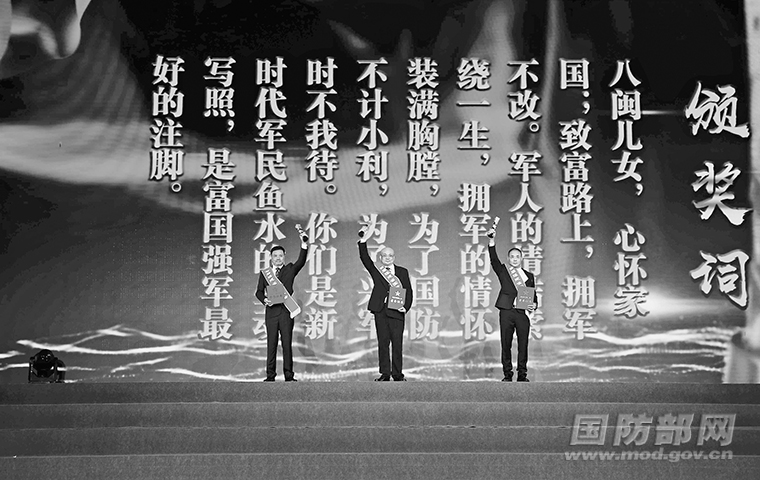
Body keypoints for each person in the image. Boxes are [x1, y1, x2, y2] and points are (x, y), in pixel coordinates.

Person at [358, 226, 413, 381]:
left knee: (397, 344)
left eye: (390, 255)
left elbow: (408, 291)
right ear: (380, 257)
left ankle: (397, 374)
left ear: (394, 257)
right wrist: (363, 241)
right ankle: (385, 373)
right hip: (381, 310)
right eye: (384, 255)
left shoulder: (402, 272)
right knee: (383, 343)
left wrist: (405, 307)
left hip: (397, 311)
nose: (387, 258)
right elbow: (365, 259)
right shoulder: (377, 270)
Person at [255, 232, 308, 382]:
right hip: (271, 313)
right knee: (271, 345)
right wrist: (265, 300)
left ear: (284, 256)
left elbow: (301, 261)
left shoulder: (290, 269)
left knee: (286, 344)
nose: (278, 258)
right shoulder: (265, 274)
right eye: (275, 256)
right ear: (270, 258)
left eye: (280, 255)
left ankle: (289, 376)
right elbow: (258, 292)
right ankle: (270, 375)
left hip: (286, 312)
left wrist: (304, 244)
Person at [488, 226, 537, 382]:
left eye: (517, 256)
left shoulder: (529, 276)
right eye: (512, 257)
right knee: (506, 344)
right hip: (507, 312)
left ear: (521, 258)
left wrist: (534, 305)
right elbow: (494, 260)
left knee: (523, 345)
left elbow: (534, 296)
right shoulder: (504, 271)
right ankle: (507, 375)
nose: (515, 259)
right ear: (509, 259)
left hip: (522, 313)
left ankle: (522, 375)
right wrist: (491, 241)